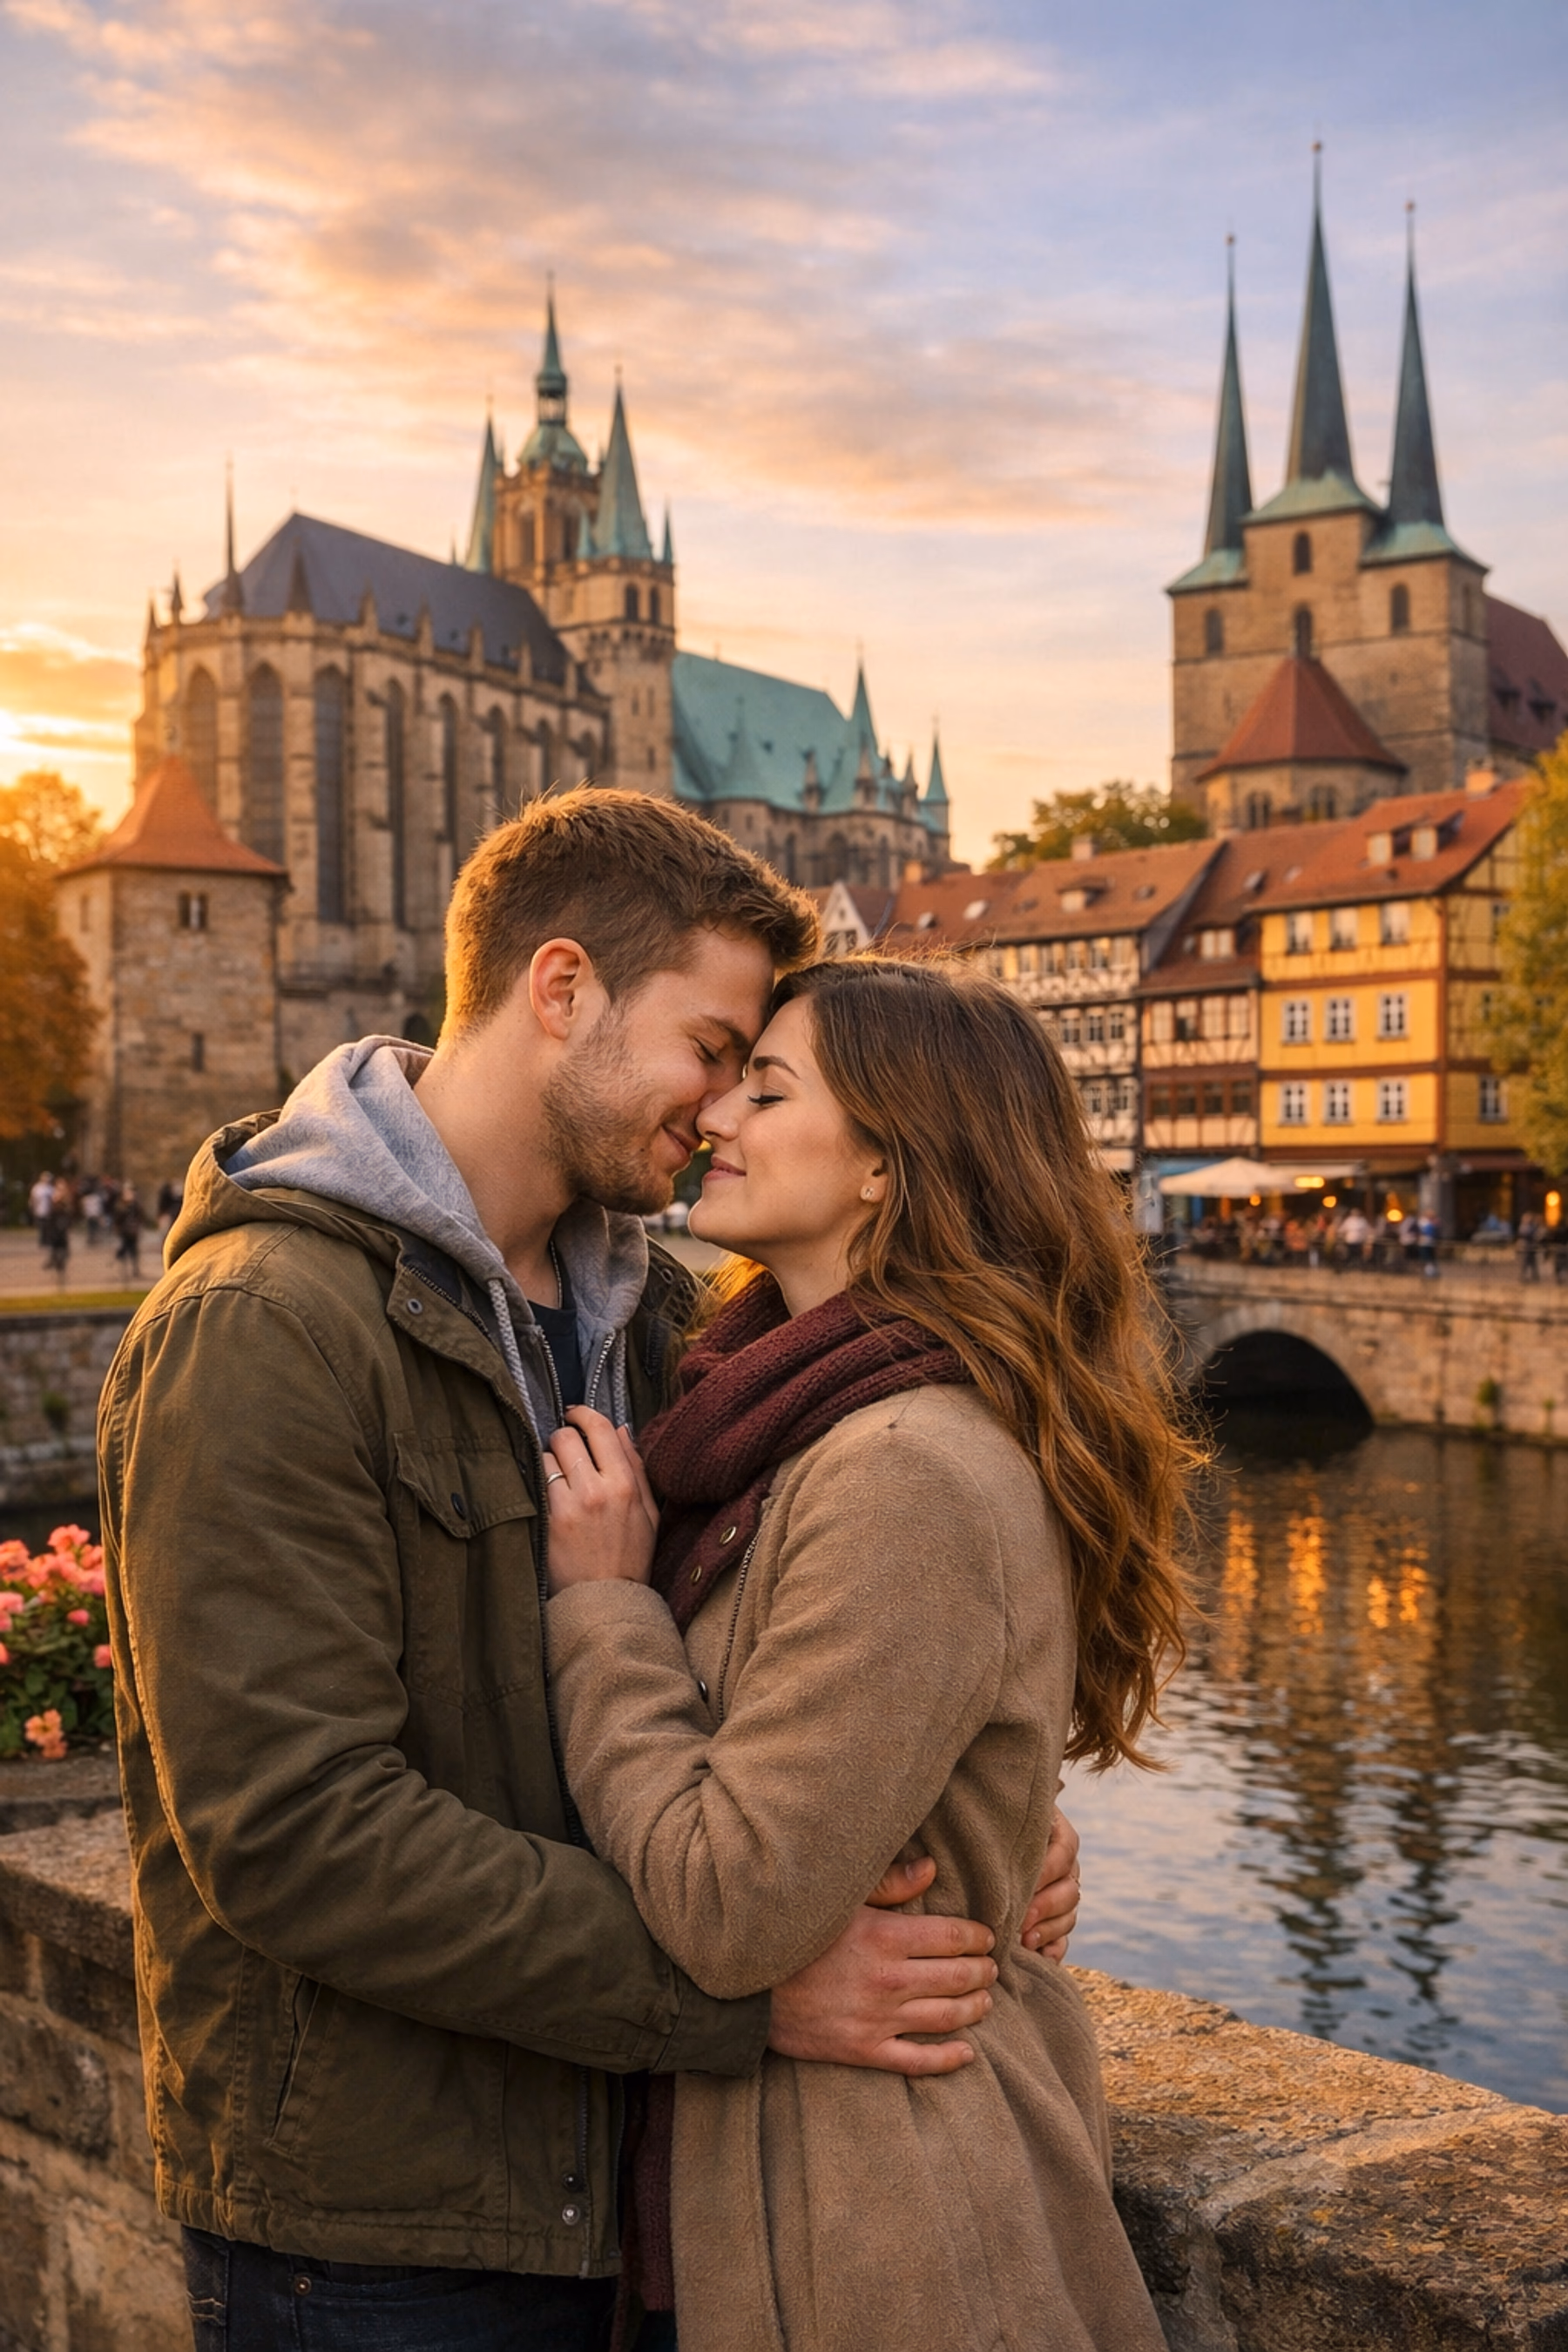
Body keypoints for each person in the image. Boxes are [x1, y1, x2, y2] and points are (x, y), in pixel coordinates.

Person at [98, 793, 1084, 2352]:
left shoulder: (662, 1320)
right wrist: (742, 2002)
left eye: (754, 1077)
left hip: (604, 2184)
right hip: (377, 2227)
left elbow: (771, 1671)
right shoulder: (267, 1323)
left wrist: (954, 1807)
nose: (715, 1113)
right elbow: (294, 1834)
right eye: (712, 1051)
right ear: (561, 991)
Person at [542, 954, 1193, 2352]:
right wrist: (1009, 1831)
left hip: (871, 2217)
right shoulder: (788, 1407)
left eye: (766, 1090)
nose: (715, 1113)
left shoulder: (902, 1466)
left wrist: (603, 1613)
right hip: (783, 2185)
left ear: (887, 1164)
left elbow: (730, 1905)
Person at [112, 1183, 146, 1279]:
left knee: (134, 1250)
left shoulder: (136, 1206)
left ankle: (135, 1269)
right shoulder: (121, 1206)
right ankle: (120, 1266)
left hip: (133, 1231)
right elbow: (118, 1219)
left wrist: (138, 1226)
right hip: (124, 1231)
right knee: (124, 1248)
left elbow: (141, 1216)